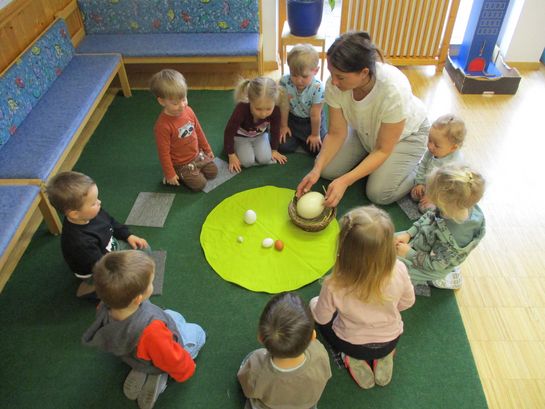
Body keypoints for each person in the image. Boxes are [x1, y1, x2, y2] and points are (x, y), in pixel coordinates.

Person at [296, 31, 429, 206]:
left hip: (406, 137)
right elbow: (336, 134)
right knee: (327, 170)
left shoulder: (393, 90)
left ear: (364, 73)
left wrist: (346, 180)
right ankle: (369, 162)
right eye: (331, 73)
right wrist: (316, 169)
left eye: (340, 77)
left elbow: (382, 149)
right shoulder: (335, 84)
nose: (333, 81)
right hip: (365, 130)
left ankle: (420, 172)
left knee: (378, 193)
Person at [82, 251, 206, 409]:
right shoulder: (152, 330)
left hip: (132, 353)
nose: (152, 284)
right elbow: (171, 357)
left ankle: (140, 369)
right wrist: (186, 369)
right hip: (155, 352)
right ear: (138, 299)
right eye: (151, 283)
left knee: (169, 320)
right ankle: (159, 375)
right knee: (197, 332)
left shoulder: (104, 307)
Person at [310, 206, 415, 389]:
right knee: (381, 339)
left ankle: (352, 359)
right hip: (390, 341)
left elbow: (322, 318)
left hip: (351, 344)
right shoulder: (399, 269)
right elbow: (408, 302)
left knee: (314, 304)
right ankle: (384, 356)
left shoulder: (334, 284)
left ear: (345, 250)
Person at [46, 171, 149, 298]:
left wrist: (128, 235)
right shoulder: (79, 242)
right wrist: (124, 268)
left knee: (144, 250)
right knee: (122, 290)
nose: (99, 202)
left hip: (108, 250)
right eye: (93, 203)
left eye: (97, 199)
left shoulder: (93, 212)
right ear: (75, 214)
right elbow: (101, 267)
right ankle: (90, 288)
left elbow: (111, 222)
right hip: (96, 270)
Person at [395, 164, 486, 294]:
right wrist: (409, 233)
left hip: (432, 266)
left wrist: (409, 253)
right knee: (386, 240)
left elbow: (434, 264)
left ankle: (440, 279)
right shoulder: (455, 206)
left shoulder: (454, 236)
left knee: (392, 273)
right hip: (426, 243)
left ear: (445, 204)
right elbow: (428, 216)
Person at [237, 292, 331, 409]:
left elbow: (248, 389)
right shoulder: (320, 354)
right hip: (305, 404)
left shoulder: (257, 368)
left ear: (260, 338)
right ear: (313, 336)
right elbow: (326, 376)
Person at [150, 69, 218, 191]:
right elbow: (163, 153)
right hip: (181, 164)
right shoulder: (162, 126)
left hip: (197, 155)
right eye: (175, 103)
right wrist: (170, 173)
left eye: (184, 99)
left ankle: (195, 169)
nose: (182, 105)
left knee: (213, 172)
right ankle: (178, 173)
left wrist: (207, 149)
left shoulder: (189, 110)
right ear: (162, 101)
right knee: (200, 184)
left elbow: (198, 131)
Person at [224, 77, 288, 173]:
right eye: (258, 109)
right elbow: (229, 132)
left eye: (268, 109)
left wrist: (274, 150)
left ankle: (258, 145)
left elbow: (275, 130)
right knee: (247, 162)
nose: (263, 114)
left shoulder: (275, 110)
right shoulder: (241, 108)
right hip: (240, 137)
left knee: (265, 159)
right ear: (250, 100)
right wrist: (231, 154)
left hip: (260, 136)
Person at [277, 44, 327, 156]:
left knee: (318, 149)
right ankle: (300, 141)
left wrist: (315, 135)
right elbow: (284, 106)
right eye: (294, 75)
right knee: (281, 146)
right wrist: (284, 126)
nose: (299, 80)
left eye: (304, 76)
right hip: (292, 118)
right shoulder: (284, 82)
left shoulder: (318, 88)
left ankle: (302, 141)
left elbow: (315, 115)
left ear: (316, 70)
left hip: (311, 121)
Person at [410, 114, 465, 213]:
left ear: (453, 148)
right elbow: (423, 165)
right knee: (414, 195)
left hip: (442, 193)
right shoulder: (432, 151)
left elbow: (448, 188)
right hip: (428, 185)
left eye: (436, 145)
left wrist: (433, 198)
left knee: (426, 208)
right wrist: (420, 183)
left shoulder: (454, 165)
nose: (430, 146)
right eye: (429, 140)